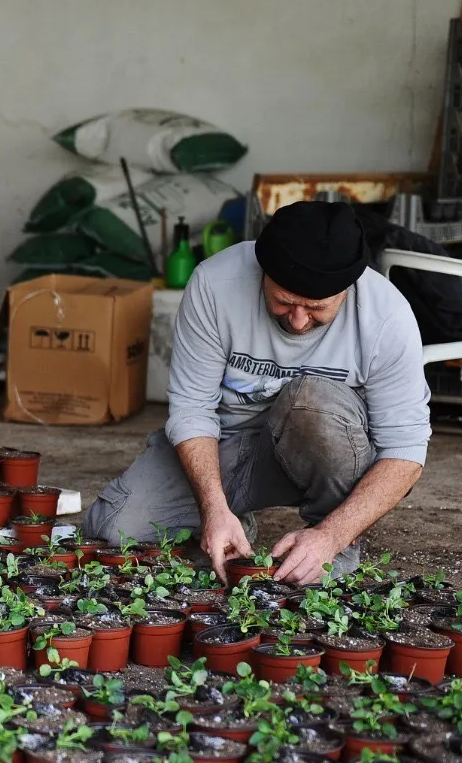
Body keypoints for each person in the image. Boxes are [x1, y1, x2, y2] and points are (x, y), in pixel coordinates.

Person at [84, 201, 430, 584]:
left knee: (309, 400)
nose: (298, 322)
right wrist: (213, 507)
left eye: (316, 308)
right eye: (284, 302)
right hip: (224, 444)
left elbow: (406, 450)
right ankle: (230, 520)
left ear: (348, 289)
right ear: (262, 272)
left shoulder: (387, 316)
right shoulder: (215, 284)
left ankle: (327, 549)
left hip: (317, 447)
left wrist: (331, 536)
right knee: (113, 530)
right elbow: (192, 408)